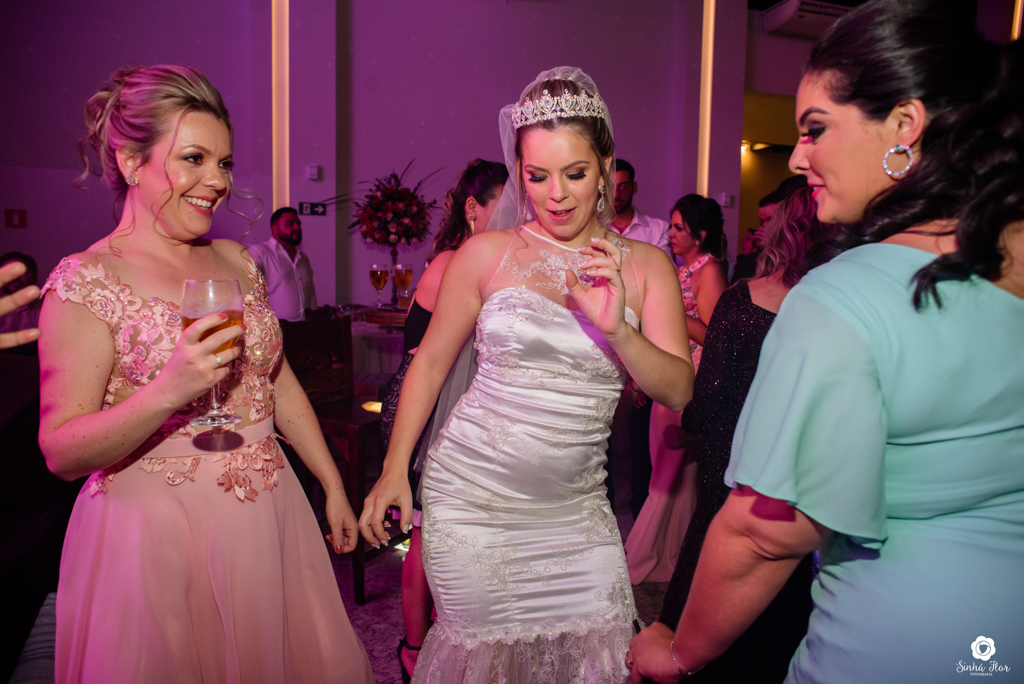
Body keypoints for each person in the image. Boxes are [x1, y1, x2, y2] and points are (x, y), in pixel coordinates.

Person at [628, 3, 1024, 682]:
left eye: (815, 129)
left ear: (904, 126)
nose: (798, 157)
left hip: (886, 651)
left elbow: (762, 533)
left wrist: (679, 651)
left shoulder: (842, 296)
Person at [38, 65, 373, 684]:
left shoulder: (237, 260)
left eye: (224, 163)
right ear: (131, 161)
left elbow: (275, 380)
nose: (218, 181)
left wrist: (331, 482)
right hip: (156, 533)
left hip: (269, 509)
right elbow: (61, 451)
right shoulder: (86, 281)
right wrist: (169, 391)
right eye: (194, 158)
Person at [360, 66, 693, 684]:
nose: (555, 195)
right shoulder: (486, 254)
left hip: (577, 510)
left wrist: (620, 332)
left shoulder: (647, 266)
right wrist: (394, 469)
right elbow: (429, 362)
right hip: (472, 500)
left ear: (606, 168)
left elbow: (677, 388)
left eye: (575, 173)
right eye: (537, 176)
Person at [655, 187, 832, 682]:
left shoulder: (741, 300)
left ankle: (688, 656)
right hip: (799, 466)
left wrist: (683, 426)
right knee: (786, 575)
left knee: (711, 563)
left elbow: (710, 396)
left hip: (730, 461)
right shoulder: (838, 309)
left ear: (782, 233)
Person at [378, 158, 508, 683]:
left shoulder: (490, 261)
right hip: (425, 409)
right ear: (474, 209)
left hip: (459, 404)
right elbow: (434, 360)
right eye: (507, 207)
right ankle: (413, 648)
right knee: (426, 533)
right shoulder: (453, 262)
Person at [625, 194, 727, 584]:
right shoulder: (685, 270)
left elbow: (713, 336)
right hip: (672, 370)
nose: (670, 233)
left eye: (679, 227)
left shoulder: (709, 271)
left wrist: (671, 315)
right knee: (675, 476)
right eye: (671, 225)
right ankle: (674, 555)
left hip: (689, 378)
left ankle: (643, 556)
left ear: (700, 235)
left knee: (666, 476)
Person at [731, 176, 808, 284]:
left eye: (770, 219)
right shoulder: (751, 262)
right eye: (762, 221)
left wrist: (773, 245)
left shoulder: (807, 238)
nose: (765, 225)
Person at [248, 206, 317, 321]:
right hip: (274, 329)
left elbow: (311, 295)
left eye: (298, 224)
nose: (297, 227)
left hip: (303, 327)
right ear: (275, 228)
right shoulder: (261, 252)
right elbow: (248, 288)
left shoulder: (303, 258)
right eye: (290, 224)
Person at [610, 159, 674, 264]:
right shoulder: (594, 227)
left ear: (634, 187)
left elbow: (665, 270)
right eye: (611, 187)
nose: (616, 194)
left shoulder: (659, 230)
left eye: (623, 187)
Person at [0, 253, 43, 343]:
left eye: (21, 270)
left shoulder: (47, 308)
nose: (14, 276)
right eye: (7, 271)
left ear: (34, 276)